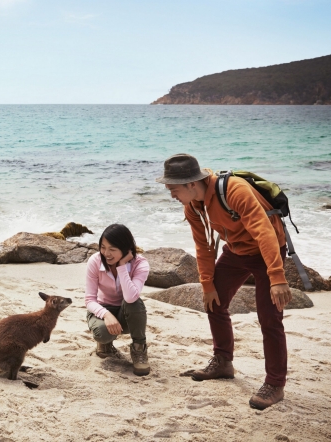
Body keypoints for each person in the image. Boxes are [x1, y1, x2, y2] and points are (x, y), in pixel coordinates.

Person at [157, 154, 291, 410]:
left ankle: (275, 384)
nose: (171, 195)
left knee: (269, 317)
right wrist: (207, 284)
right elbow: (204, 245)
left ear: (190, 184)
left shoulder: (235, 191)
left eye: (173, 189)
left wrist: (277, 277)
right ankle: (223, 362)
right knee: (214, 301)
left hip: (267, 251)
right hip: (236, 251)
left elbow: (264, 232)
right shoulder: (193, 206)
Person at [85, 223, 151, 376]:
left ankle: (139, 349)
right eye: (103, 247)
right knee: (102, 332)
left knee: (134, 301)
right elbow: (89, 300)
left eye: (112, 249)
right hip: (101, 311)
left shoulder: (140, 264)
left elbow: (130, 297)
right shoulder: (95, 261)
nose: (106, 253)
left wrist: (122, 266)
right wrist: (106, 315)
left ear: (126, 249)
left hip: (127, 313)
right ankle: (105, 344)